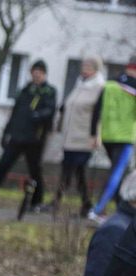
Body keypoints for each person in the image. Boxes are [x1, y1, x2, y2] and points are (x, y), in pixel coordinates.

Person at [0, 60, 56, 209]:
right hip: (17, 136)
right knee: (3, 165)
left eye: (39, 73)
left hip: (35, 139)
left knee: (35, 170)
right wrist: (7, 132)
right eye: (34, 72)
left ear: (44, 74)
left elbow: (50, 111)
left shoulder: (49, 92)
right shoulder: (25, 90)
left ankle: (36, 201)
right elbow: (15, 113)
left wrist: (38, 116)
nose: (36, 75)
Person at [54, 56, 105, 217]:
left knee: (78, 170)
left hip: (84, 137)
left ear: (96, 69)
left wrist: (94, 136)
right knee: (69, 169)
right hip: (70, 136)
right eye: (84, 66)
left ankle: (80, 202)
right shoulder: (79, 85)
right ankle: (71, 201)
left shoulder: (99, 87)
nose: (85, 69)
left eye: (89, 67)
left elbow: (98, 113)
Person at [89, 56, 136, 221]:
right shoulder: (134, 87)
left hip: (107, 136)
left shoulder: (110, 84)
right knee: (116, 174)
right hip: (125, 137)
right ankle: (98, 210)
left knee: (120, 173)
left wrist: (93, 134)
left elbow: (96, 110)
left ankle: (121, 210)